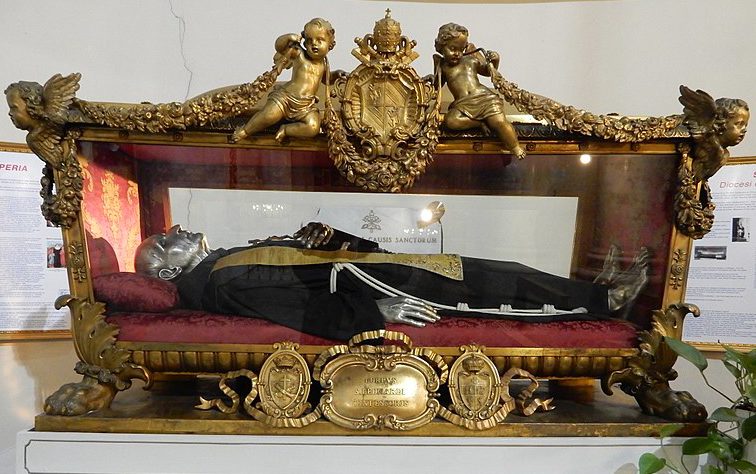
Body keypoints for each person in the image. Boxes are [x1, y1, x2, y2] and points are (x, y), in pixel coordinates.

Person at [134, 222, 649, 341]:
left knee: (500, 271)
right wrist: (375, 313)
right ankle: (604, 301)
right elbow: (294, 306)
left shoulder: (225, 259)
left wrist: (328, 234)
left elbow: (310, 258)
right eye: (164, 241)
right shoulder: (221, 281)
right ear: (169, 271)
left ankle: (593, 291)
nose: (175, 231)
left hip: (380, 270)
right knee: (499, 287)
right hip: (381, 288)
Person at [230, 18, 337, 144]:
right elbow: (280, 46)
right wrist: (289, 38)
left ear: (330, 43)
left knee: (313, 127)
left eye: (320, 40)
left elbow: (326, 79)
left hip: (306, 106)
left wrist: (337, 75)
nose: (314, 44)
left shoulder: (324, 64)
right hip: (285, 99)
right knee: (268, 115)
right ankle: (245, 131)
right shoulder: (299, 55)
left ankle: (286, 129)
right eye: (309, 40)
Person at [434, 23, 526, 160]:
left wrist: (495, 61)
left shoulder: (470, 60)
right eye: (452, 49)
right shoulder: (442, 66)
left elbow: (488, 72)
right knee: (451, 121)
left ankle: (515, 146)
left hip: (484, 98)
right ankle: (478, 123)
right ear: (441, 47)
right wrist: (431, 79)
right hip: (463, 103)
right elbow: (437, 85)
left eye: (461, 49)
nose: (457, 53)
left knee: (499, 122)